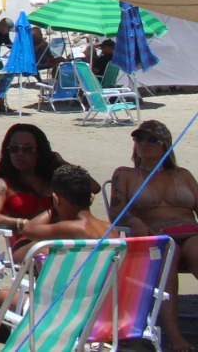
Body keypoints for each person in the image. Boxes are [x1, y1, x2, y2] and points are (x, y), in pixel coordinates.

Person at [107, 119, 198, 352]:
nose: (144, 143)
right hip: (154, 235)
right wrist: (134, 220)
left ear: (165, 144)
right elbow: (116, 211)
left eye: (152, 139)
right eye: (139, 138)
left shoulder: (183, 174)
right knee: (168, 254)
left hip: (190, 231)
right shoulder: (125, 174)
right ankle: (174, 336)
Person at [0, 124, 82, 250]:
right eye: (14, 149)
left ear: (39, 152)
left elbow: (93, 187)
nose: (20, 154)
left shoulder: (52, 180)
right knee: (53, 251)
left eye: (27, 149)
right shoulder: (2, 184)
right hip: (26, 244)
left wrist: (61, 163)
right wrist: (24, 223)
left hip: (58, 241)